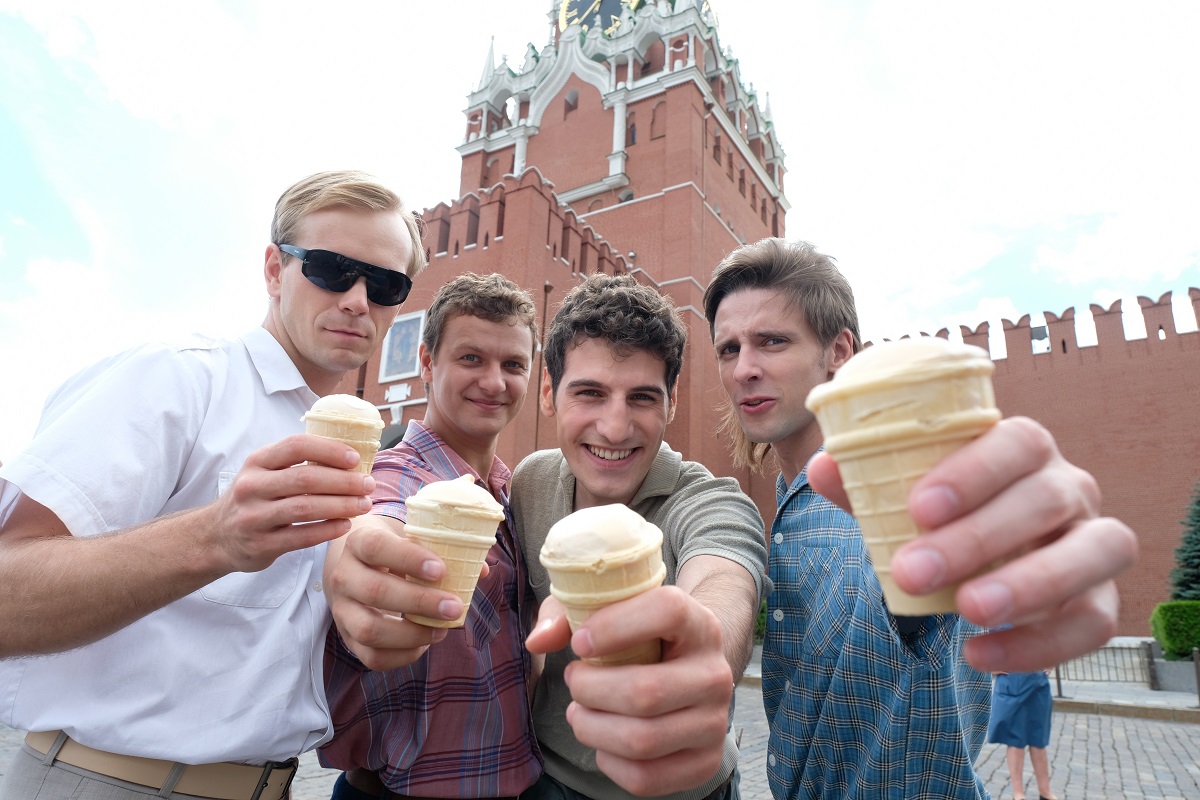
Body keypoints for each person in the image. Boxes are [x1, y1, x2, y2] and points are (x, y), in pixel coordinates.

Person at [0, 170, 426, 800]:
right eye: (331, 270)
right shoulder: (176, 380)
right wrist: (214, 538)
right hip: (106, 781)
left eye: (385, 284)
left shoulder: (351, 442)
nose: (358, 301)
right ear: (275, 270)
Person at [701, 237, 1137, 799]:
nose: (744, 368)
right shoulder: (787, 505)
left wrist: (1014, 538)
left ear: (838, 351)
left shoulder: (896, 495)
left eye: (772, 341)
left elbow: (930, 575)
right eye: (728, 349)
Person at [515, 274, 770, 800]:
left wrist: (701, 652)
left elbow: (725, 581)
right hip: (546, 780)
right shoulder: (529, 484)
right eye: (590, 393)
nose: (614, 427)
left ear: (671, 403)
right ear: (548, 394)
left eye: (642, 398)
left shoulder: (708, 501)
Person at [318, 273, 543, 799]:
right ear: (426, 362)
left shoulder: (515, 493)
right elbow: (379, 520)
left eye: (513, 365)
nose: (494, 382)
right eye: (471, 358)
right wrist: (366, 554)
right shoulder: (391, 477)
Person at [988, 670, 1057, 800]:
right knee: (1015, 739)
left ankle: (1045, 792)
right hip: (1012, 683)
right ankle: (1018, 794)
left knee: (1038, 739)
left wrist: (1050, 662)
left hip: (1038, 683)